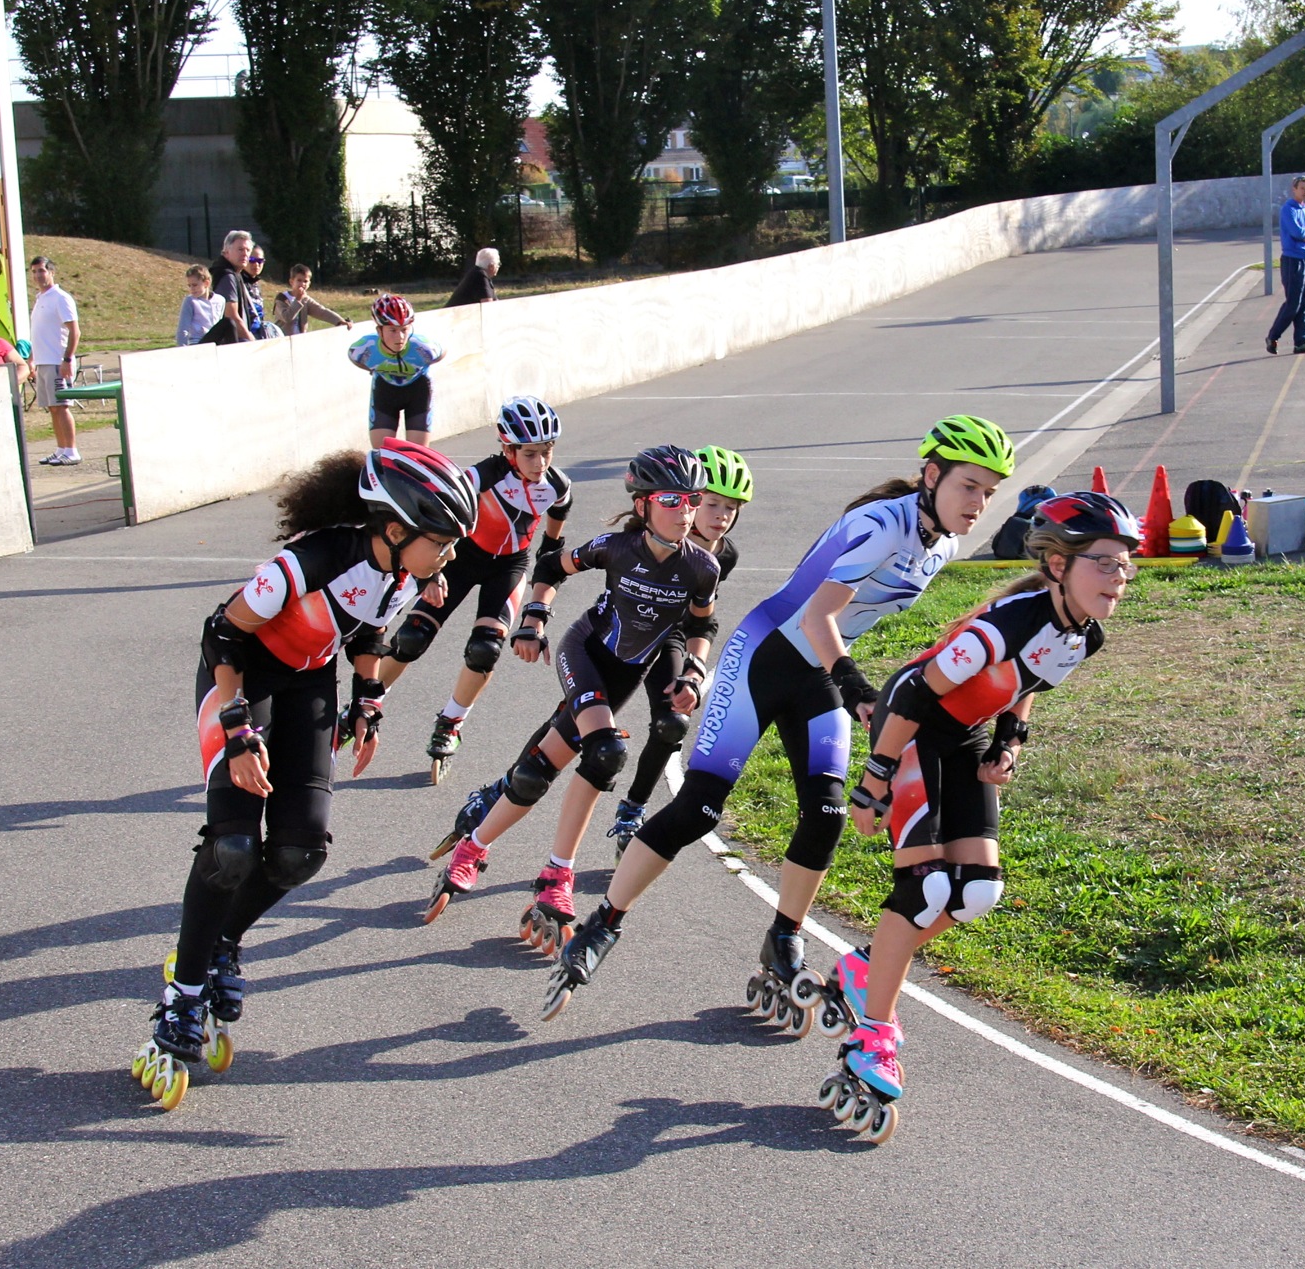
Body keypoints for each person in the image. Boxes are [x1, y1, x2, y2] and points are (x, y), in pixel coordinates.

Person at [541, 415, 1016, 1022]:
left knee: (826, 812)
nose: (978, 503)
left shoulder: (942, 543)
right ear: (931, 476)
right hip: (765, 657)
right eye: (969, 486)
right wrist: (855, 684)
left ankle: (783, 937)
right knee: (700, 807)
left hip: (819, 673)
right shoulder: (881, 525)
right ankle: (603, 923)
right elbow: (820, 617)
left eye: (989, 492)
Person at [132, 440, 479, 1110]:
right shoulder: (309, 561)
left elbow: (367, 631)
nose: (451, 555)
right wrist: (236, 729)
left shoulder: (403, 572)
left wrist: (368, 697)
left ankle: (222, 942)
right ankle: (181, 994)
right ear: (396, 528)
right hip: (242, 676)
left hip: (306, 679)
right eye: (443, 540)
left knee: (298, 851)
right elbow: (221, 633)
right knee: (233, 845)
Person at [819, 491, 1140, 1143]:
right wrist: (876, 777)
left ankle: (864, 966)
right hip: (909, 733)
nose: (1119, 575)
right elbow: (911, 689)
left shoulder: (1084, 631)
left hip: (961, 737)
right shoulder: (1007, 622)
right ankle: (873, 1037)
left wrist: (1009, 743)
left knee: (978, 891)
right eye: (1103, 561)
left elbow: (1027, 685)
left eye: (1125, 563)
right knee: (927, 887)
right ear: (1057, 565)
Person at [423, 447, 721, 973]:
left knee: (541, 770)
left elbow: (701, 628)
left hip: (628, 671)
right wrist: (535, 618)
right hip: (585, 651)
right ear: (644, 503)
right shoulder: (617, 547)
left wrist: (693, 677)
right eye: (672, 499)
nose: (686, 511)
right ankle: (556, 877)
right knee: (604, 752)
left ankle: (474, 844)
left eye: (693, 499)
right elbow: (549, 565)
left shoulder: (702, 567)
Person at [379, 396, 572, 787]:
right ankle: (367, 699)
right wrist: (431, 574)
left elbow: (549, 555)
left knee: (485, 649)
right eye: (530, 454)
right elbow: (435, 526)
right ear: (508, 449)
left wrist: (537, 613)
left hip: (509, 566)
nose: (540, 464)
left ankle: (451, 722)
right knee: (412, 638)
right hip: (459, 560)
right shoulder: (478, 478)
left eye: (547, 453)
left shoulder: (557, 488)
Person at [605, 445, 753, 858]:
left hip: (673, 635)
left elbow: (702, 616)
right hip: (625, 631)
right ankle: (506, 787)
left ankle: (632, 809)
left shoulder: (725, 555)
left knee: (672, 722)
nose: (721, 516)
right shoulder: (650, 537)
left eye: (731, 507)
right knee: (575, 725)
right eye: (711, 503)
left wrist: (695, 665)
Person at [349, 293, 444, 449]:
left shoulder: (423, 347)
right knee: (382, 454)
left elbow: (441, 353)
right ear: (379, 330)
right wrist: (373, 369)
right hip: (386, 392)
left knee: (416, 455)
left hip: (418, 390)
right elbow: (354, 358)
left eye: (404, 329)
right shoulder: (365, 347)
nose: (400, 337)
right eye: (392, 330)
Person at [27, 256, 81, 466]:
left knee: (62, 406)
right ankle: (61, 448)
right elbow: (39, 333)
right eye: (34, 272)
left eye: (41, 271)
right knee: (52, 407)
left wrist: (66, 359)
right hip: (43, 361)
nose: (38, 275)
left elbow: (74, 331)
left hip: (57, 361)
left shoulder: (61, 297)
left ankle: (72, 450)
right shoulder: (40, 298)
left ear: (51, 272)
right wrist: (32, 359)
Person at [1266, 176, 1305, 356]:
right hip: (1292, 260)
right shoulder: (1288, 210)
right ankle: (1273, 336)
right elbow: (1297, 232)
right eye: (1302, 188)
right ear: (1294, 189)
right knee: (1293, 303)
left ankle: (1301, 341)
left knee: (1304, 301)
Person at [203, 232, 257, 346]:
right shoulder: (227, 276)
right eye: (240, 249)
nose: (245, 254)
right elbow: (231, 316)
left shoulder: (233, 273)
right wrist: (253, 343)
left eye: (247, 250)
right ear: (226, 252)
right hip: (225, 345)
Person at [273, 264, 351, 337]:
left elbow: (322, 311)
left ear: (309, 284)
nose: (302, 284)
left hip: (299, 340)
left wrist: (340, 321)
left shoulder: (305, 299)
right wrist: (298, 300)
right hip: (282, 340)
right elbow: (287, 317)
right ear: (291, 282)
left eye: (305, 281)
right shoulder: (282, 298)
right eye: (299, 280)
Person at [177, 265, 224, 346]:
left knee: (229, 324)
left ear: (206, 283)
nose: (191, 289)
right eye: (189, 285)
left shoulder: (220, 300)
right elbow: (183, 329)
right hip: (198, 342)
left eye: (194, 285)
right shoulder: (190, 301)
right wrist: (183, 350)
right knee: (229, 323)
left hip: (215, 340)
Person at [245, 246, 277, 339]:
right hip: (246, 337)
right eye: (251, 260)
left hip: (259, 334)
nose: (256, 264)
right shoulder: (239, 282)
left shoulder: (256, 284)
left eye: (260, 261)